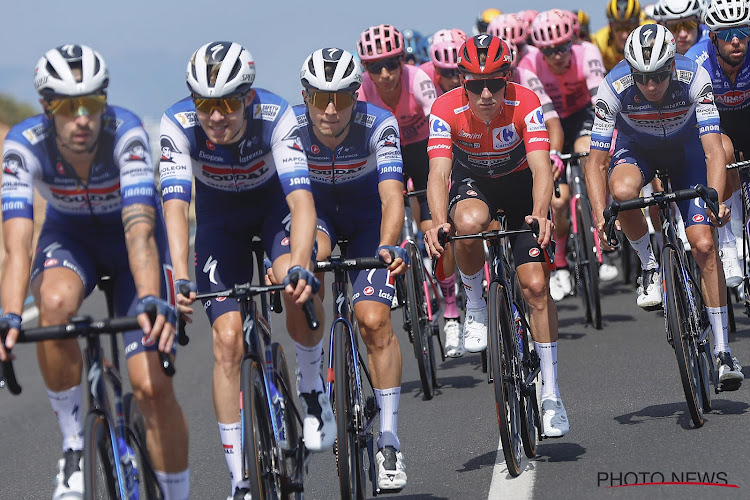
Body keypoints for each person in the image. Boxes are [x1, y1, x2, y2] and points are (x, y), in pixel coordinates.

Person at [0, 44, 189, 499]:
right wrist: (8, 314)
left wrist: (148, 297)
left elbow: (141, 231)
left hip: (132, 249)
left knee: (150, 387)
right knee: (53, 303)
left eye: (92, 103)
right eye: (68, 106)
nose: (81, 116)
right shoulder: (23, 146)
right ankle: (73, 443)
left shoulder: (127, 134)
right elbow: (16, 244)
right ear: (47, 108)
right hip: (72, 240)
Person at [158, 41, 326, 500]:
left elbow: (301, 202)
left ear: (248, 98)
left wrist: (301, 266)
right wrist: (179, 280)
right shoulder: (176, 123)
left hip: (275, 214)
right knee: (228, 342)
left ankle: (311, 387)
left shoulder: (276, 116)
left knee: (296, 281)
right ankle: (240, 479)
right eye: (205, 105)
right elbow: (175, 209)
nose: (216, 116)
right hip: (219, 226)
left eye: (228, 103)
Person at [423, 35, 570, 437]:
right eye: (474, 84)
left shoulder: (525, 102)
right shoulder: (443, 109)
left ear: (508, 76)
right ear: (461, 81)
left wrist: (540, 215)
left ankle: (552, 395)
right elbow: (438, 174)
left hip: (521, 185)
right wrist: (438, 221)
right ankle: (473, 304)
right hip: (475, 185)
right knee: (466, 223)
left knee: (536, 288)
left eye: (494, 83)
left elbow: (542, 168)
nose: (485, 93)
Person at [584, 24, 744, 388]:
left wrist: (715, 196)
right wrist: (599, 217)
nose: (651, 86)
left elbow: (713, 148)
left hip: (688, 152)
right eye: (642, 77)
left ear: (672, 66)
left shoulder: (694, 76)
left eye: (658, 76)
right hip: (637, 150)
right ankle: (650, 267)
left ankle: (722, 351)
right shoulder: (613, 86)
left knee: (704, 245)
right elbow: (595, 162)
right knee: (622, 191)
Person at [295, 47, 409, 490]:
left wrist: (386, 246)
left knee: (374, 322)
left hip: (367, 221)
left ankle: (389, 439)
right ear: (304, 96)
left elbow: (392, 197)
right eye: (319, 98)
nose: (329, 110)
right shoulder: (292, 128)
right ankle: (319, 374)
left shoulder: (379, 123)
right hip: (317, 215)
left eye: (341, 98)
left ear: (355, 95)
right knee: (310, 262)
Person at [521, 10, 615, 300]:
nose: (557, 56)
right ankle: (560, 263)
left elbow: (602, 102)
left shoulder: (587, 51)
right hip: (550, 123)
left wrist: (606, 144)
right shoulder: (529, 64)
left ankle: (600, 213)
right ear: (539, 50)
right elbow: (539, 116)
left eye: (563, 47)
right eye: (549, 51)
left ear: (572, 41)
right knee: (558, 203)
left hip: (583, 116)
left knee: (590, 153)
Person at [685, 0, 750, 288]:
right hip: (716, 123)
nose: (735, 40)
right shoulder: (697, 60)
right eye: (725, 34)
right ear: (712, 37)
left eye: (742, 30)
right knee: (722, 153)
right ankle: (730, 239)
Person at [592, 0, 645, 72]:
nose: (624, 35)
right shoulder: (600, 42)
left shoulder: (648, 34)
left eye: (629, 28)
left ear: (638, 24)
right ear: (610, 26)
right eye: (618, 28)